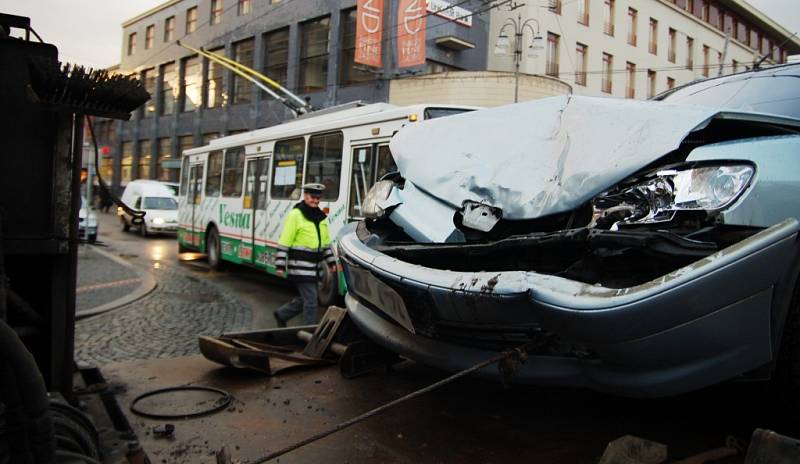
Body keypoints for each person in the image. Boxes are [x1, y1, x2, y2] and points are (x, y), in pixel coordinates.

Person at [273, 183, 336, 326]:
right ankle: (310, 332)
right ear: (305, 196)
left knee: (306, 298)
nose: (315, 200)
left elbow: (325, 244)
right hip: (300, 267)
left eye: (318, 198)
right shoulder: (296, 215)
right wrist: (280, 265)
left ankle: (282, 314)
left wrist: (332, 263)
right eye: (313, 197)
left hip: (315, 269)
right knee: (311, 301)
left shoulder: (321, 217)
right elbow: (285, 241)